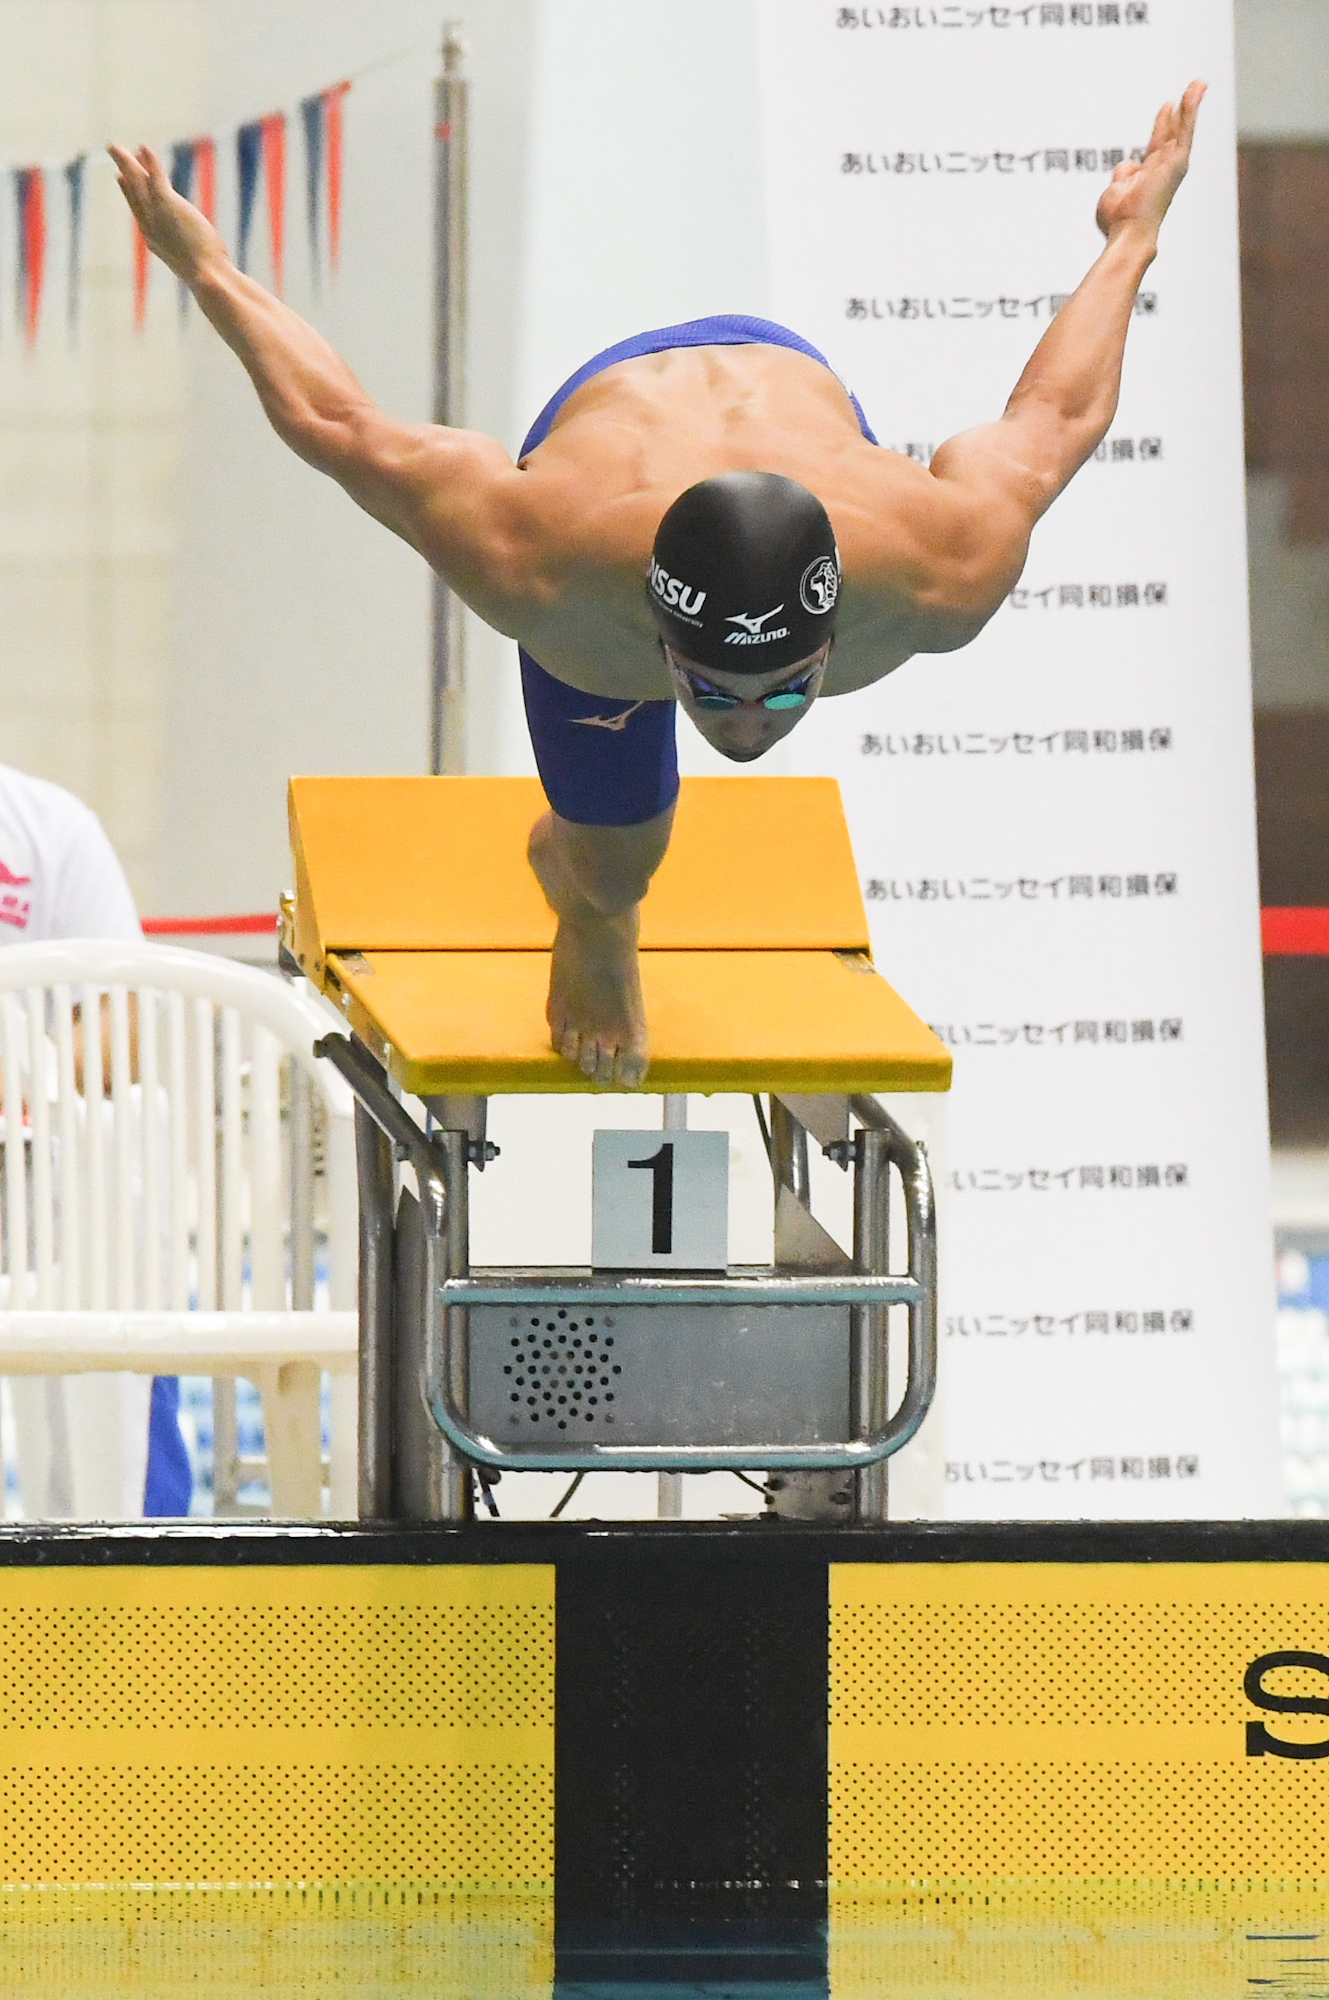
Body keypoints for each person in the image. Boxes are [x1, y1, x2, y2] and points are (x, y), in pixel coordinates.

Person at [111, 80, 1204, 1090]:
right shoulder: (544, 566)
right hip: (608, 432)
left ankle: (595, 879)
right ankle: (594, 914)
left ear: (830, 642)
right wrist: (205, 264)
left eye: (781, 693)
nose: (744, 728)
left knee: (622, 824)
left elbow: (1055, 420)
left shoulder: (938, 564)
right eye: (706, 691)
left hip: (796, 392)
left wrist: (1132, 235)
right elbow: (339, 424)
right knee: (618, 861)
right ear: (659, 642)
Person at [0, 762, 192, 1517]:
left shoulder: (46, 827)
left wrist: (25, 1075)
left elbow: (121, 1023)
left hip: (37, 1168)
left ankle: (135, 1555)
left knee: (125, 1246)